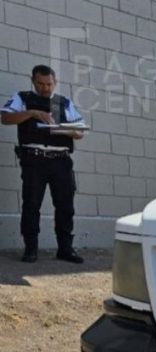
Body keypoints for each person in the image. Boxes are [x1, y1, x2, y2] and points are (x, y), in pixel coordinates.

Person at [1, 64, 86, 263]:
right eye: (41, 83)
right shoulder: (23, 98)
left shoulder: (63, 103)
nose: (45, 88)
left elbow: (80, 131)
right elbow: (5, 118)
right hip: (34, 160)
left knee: (65, 205)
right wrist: (32, 113)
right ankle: (30, 249)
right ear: (33, 81)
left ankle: (65, 249)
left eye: (49, 84)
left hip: (61, 161)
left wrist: (65, 130)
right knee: (31, 204)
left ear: (55, 83)